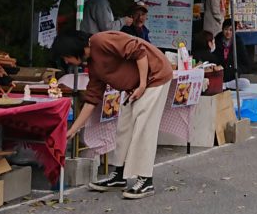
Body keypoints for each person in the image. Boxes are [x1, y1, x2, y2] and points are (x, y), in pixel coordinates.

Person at [58, 30, 172, 199]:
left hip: (155, 76)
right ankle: (119, 175)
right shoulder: (93, 66)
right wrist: (72, 130)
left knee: (144, 127)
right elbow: (92, 100)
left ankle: (145, 179)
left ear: (74, 49)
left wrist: (141, 85)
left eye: (66, 57)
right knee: (123, 128)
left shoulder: (100, 40)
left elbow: (138, 50)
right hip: (133, 86)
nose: (67, 61)